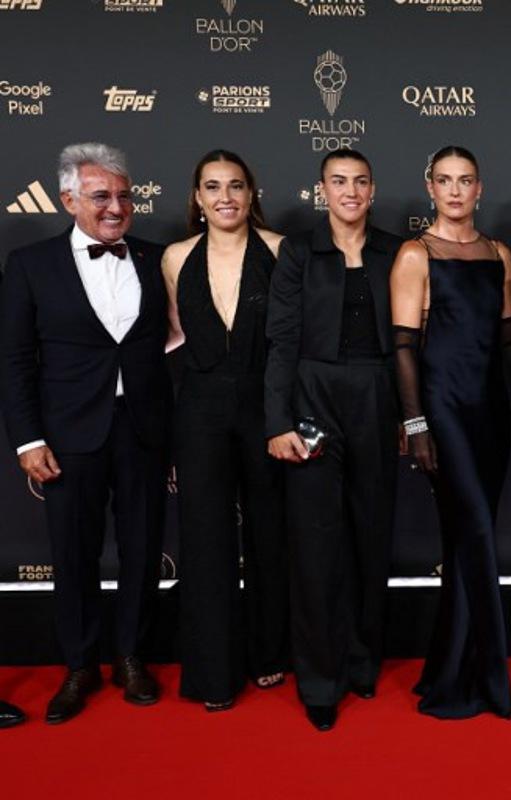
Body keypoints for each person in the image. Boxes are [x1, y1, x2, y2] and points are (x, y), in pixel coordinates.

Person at [1, 143, 170, 724]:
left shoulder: (156, 259)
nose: (116, 206)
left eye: (124, 195)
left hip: (144, 429)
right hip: (68, 434)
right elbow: (16, 360)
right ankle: (79, 666)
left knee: (144, 549)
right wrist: (28, 440)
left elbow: (169, 349)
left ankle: (131, 657)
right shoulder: (31, 265)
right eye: (101, 196)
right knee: (73, 555)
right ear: (69, 199)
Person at [264, 149, 402, 731]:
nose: (350, 191)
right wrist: (277, 421)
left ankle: (362, 663)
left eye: (360, 181)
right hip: (313, 397)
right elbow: (281, 339)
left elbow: (411, 341)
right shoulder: (298, 249)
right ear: (321, 189)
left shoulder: (398, 250)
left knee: (371, 535)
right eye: (339, 181)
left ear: (373, 190)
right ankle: (320, 680)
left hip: (378, 393)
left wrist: (410, 417)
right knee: (317, 547)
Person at [390, 146, 511, 719]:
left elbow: (507, 342)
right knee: (478, 537)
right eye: (445, 180)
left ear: (480, 188)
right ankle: (480, 681)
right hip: (442, 409)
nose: (456, 190)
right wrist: (416, 422)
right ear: (430, 187)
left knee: (468, 537)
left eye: (466, 180)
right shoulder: (416, 255)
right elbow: (403, 348)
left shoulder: (499, 254)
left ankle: (448, 664)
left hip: (491, 411)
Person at [162, 150, 288, 712]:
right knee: (206, 539)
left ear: (251, 192)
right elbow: (171, 340)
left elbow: (292, 341)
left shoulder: (282, 251)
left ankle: (269, 654)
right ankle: (213, 673)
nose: (225, 197)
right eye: (212, 187)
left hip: (266, 405)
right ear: (197, 198)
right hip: (200, 409)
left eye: (236, 185)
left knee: (269, 533)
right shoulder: (174, 257)